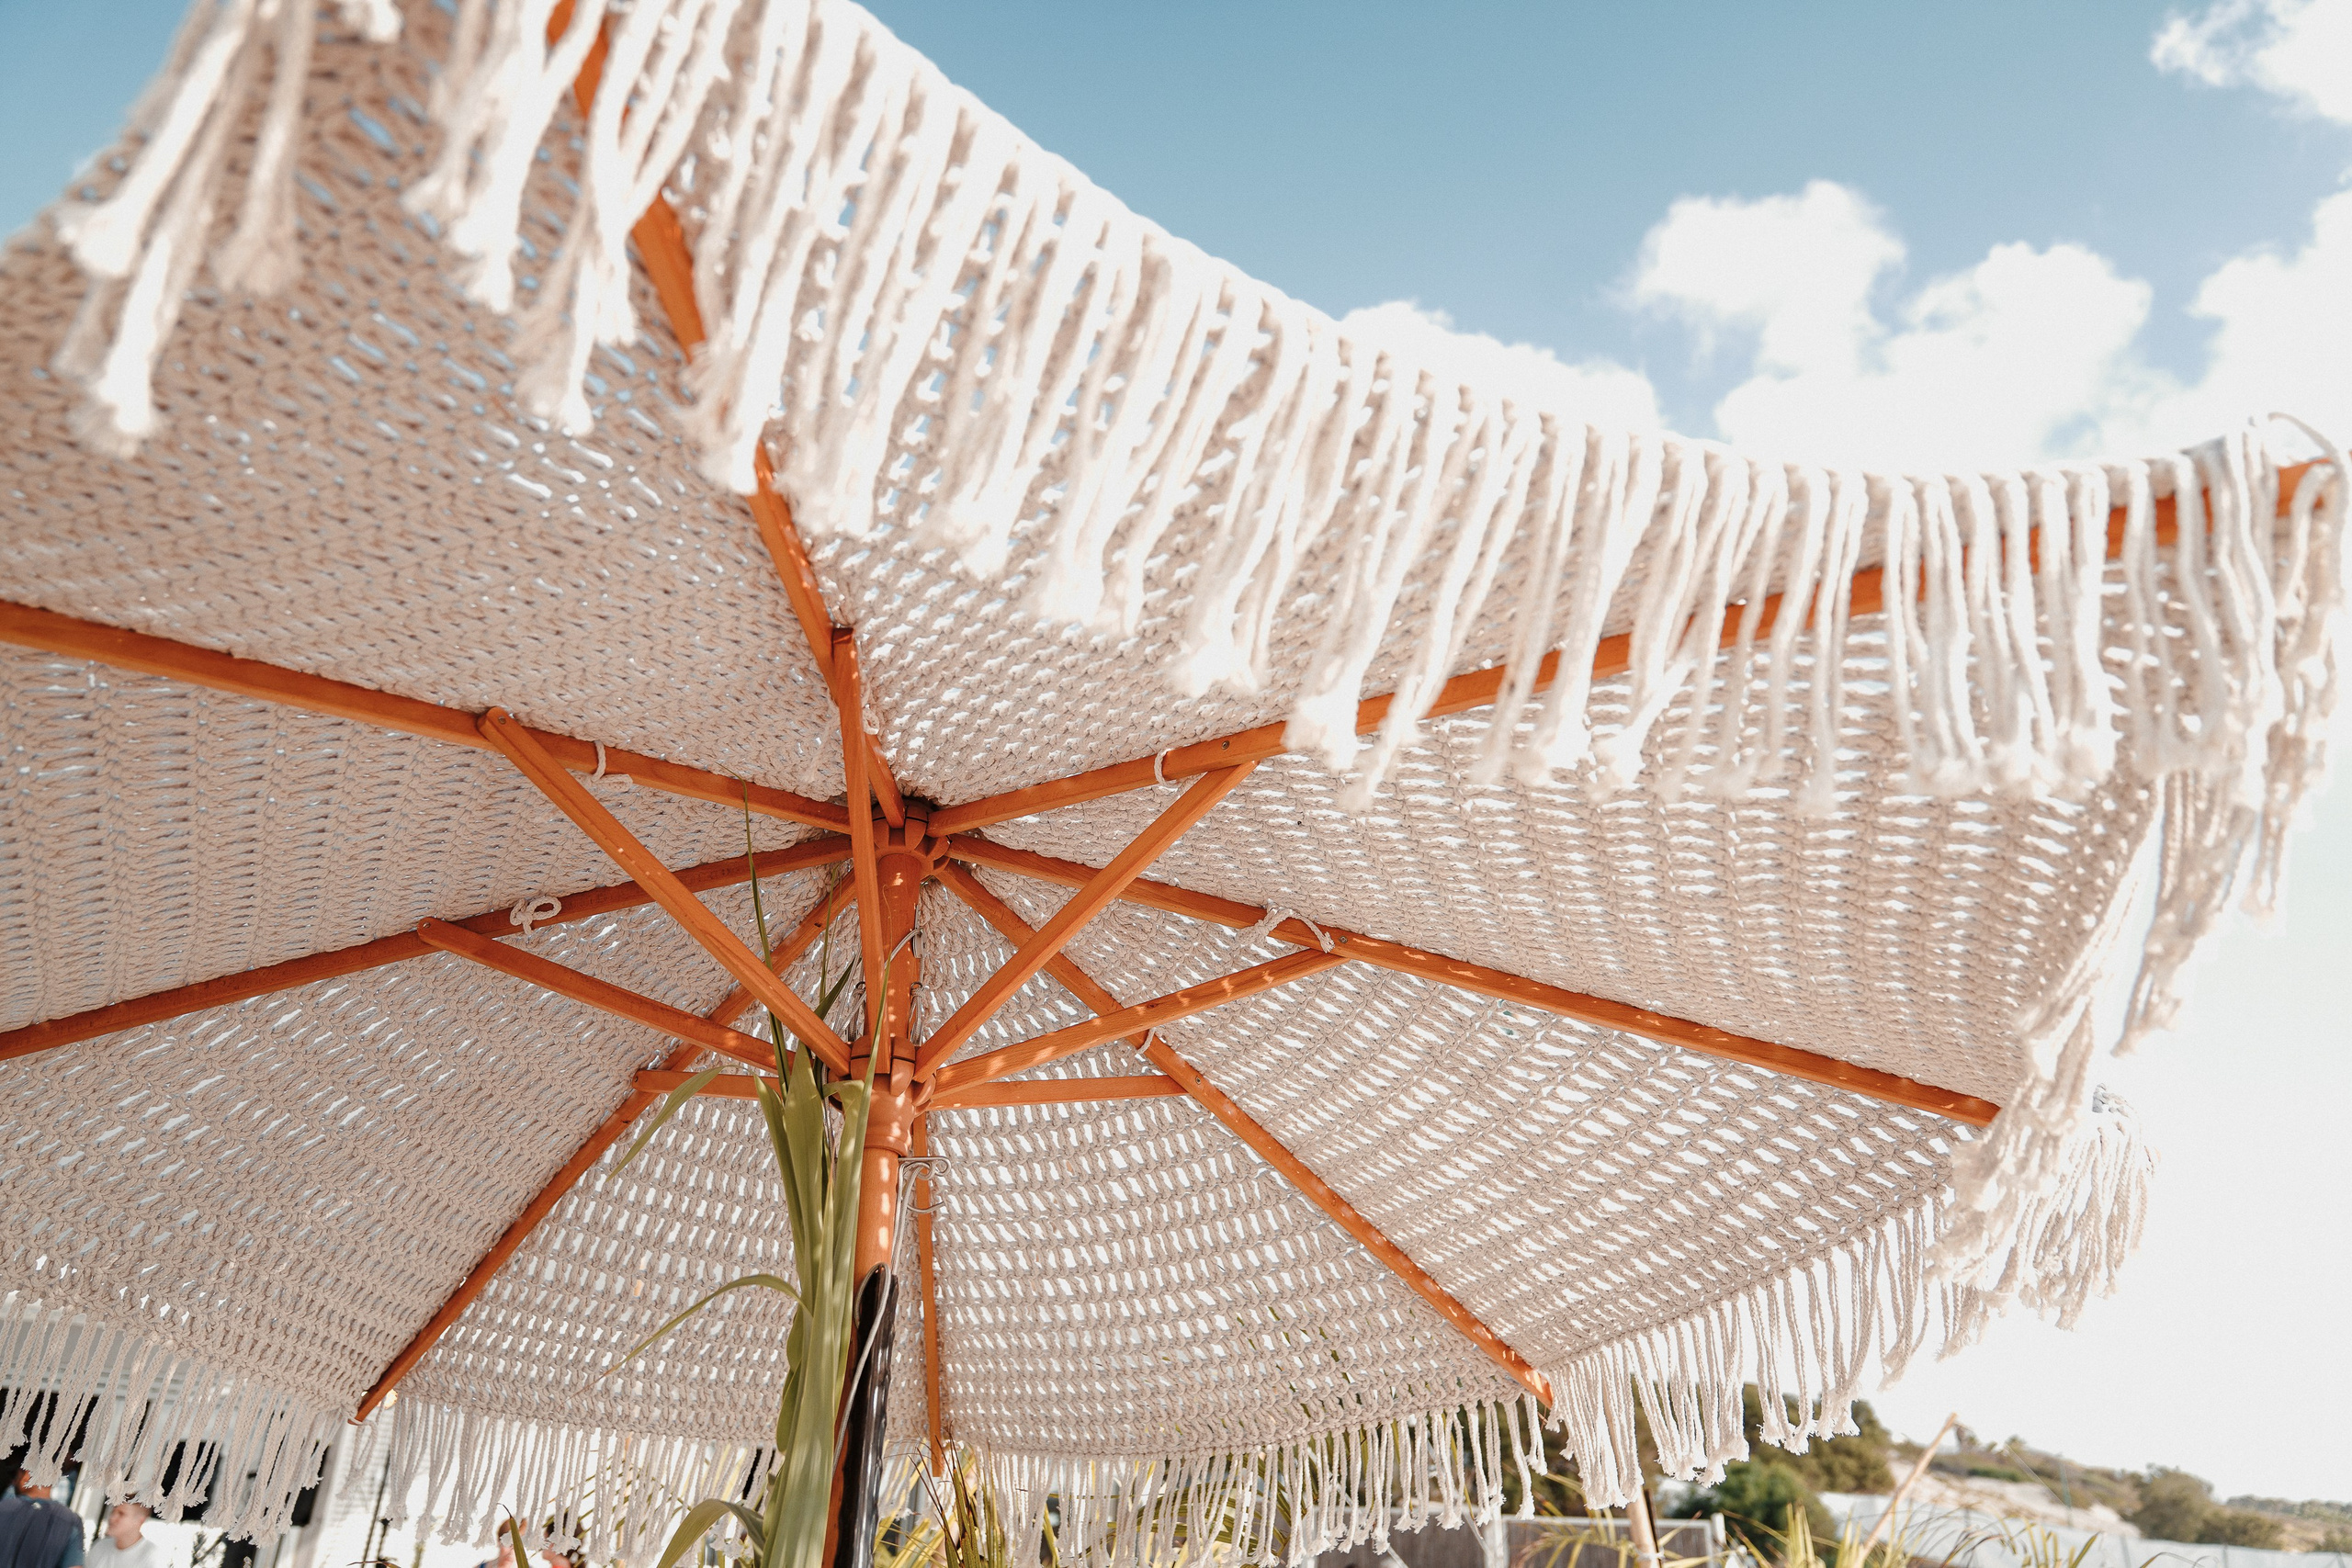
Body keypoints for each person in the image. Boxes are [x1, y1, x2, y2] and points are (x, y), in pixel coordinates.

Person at [0, 1470, 85, 1568]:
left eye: (17, 1475)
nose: (14, 1481)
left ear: (26, 1476)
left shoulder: (3, 1509)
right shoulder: (71, 1521)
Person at [84, 1505, 156, 1568]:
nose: (112, 1518)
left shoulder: (152, 1556)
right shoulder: (101, 1546)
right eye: (113, 1512)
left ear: (140, 1521)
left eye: (121, 1514)